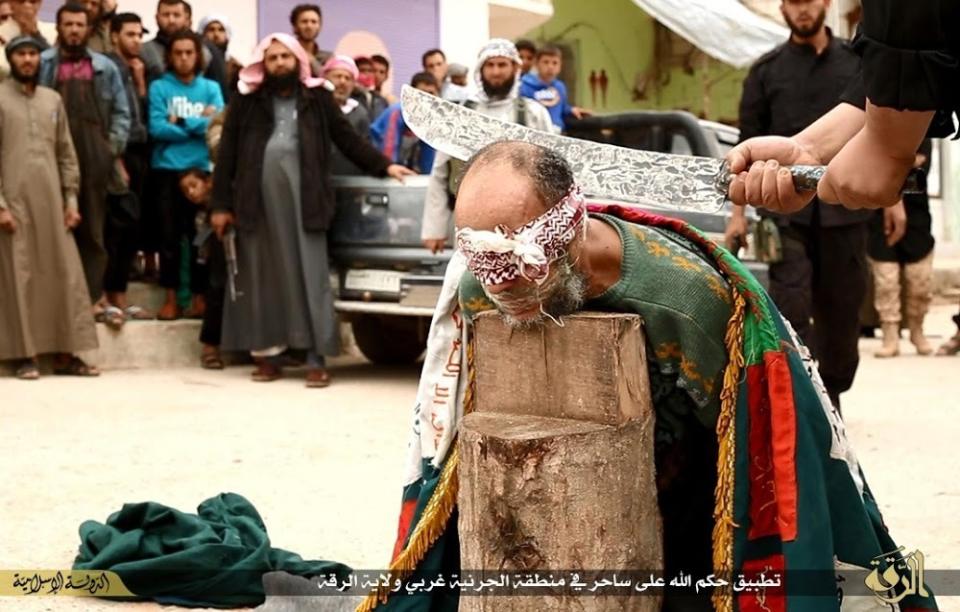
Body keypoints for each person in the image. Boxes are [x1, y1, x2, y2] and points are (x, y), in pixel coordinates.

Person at [358, 141, 938, 612]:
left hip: (696, 493)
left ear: (572, 228)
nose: (502, 284)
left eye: (520, 261)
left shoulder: (689, 304)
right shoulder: (480, 293)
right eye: (484, 262)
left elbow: (748, 456)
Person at [210, 33, 414, 387]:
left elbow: (346, 138)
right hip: (256, 205)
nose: (278, 64)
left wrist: (384, 166)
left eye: (284, 58)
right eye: (271, 58)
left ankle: (315, 357)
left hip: (306, 203)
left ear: (298, 61)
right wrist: (220, 205)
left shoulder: (317, 97)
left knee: (310, 277)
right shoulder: (248, 100)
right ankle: (268, 355)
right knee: (263, 278)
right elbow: (227, 152)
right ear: (264, 63)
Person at [722, 0, 865, 409]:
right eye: (794, 2)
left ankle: (833, 392)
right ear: (784, 8)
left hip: (848, 209)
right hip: (784, 214)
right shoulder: (766, 72)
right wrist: (738, 216)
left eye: (810, 0)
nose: (803, 10)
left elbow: (884, 127)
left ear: (826, 3)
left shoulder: (858, 65)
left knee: (842, 312)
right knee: (791, 306)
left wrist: (895, 203)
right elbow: (743, 147)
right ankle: (801, 403)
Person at [726, 2, 960, 212]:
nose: (803, 9)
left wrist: (886, 143)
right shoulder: (766, 69)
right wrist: (810, 148)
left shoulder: (850, 56)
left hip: (850, 218)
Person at [0, 35, 99, 379]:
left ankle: (66, 353)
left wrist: (71, 200)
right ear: (10, 59)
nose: (27, 60)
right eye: (20, 54)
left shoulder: (52, 100)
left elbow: (66, 154)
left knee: (64, 274)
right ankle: (25, 355)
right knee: (20, 275)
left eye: (32, 54)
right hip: (13, 205)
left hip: (53, 204)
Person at [39, 3, 130, 325]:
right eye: (68, 24)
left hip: (94, 155)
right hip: (51, 155)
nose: (74, 30)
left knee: (93, 230)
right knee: (53, 228)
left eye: (80, 24)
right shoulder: (44, 64)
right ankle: (55, 301)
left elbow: (122, 113)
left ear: (88, 29)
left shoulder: (106, 67)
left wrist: (109, 149)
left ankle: (92, 298)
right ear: (59, 28)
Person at [420, 39, 554, 254]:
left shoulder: (534, 114)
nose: (496, 72)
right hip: (471, 224)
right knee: (468, 284)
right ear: (480, 70)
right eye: (490, 65)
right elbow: (441, 172)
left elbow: (552, 173)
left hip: (524, 228)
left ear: (515, 68)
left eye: (502, 65)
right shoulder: (461, 115)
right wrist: (434, 229)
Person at [148, 29, 223, 320]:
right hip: (167, 170)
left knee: (200, 239)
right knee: (169, 237)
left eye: (189, 52)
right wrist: (198, 122)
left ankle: (198, 298)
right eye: (177, 53)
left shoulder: (211, 88)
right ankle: (171, 299)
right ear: (169, 56)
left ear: (198, 56)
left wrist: (180, 120)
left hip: (202, 170)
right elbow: (156, 129)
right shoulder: (159, 88)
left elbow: (215, 125)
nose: (183, 58)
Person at [103, 11, 154, 322]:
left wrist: (140, 82)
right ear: (114, 36)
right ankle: (110, 296)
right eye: (130, 34)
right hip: (119, 155)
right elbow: (111, 115)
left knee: (132, 227)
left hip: (141, 153)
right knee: (114, 229)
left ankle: (121, 295)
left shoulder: (138, 68)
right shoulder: (106, 67)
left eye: (139, 35)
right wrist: (115, 157)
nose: (136, 40)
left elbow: (142, 116)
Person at [869, 140, 936, 358]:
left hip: (917, 214)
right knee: (886, 281)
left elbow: (920, 164)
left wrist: (887, 167)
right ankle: (890, 334)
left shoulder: (923, 127)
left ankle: (917, 331)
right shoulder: (875, 128)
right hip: (877, 212)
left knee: (920, 280)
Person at [178, 168, 224, 369]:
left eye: (194, 185)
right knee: (215, 288)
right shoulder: (196, 215)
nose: (190, 193)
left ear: (208, 182)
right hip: (213, 263)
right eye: (185, 190)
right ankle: (209, 348)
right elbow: (200, 252)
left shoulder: (222, 203)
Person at [140, 0, 228, 98]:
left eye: (176, 15)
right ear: (157, 18)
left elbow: (220, 90)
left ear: (186, 18)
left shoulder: (205, 50)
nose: (171, 20)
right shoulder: (144, 50)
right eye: (166, 15)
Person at [370, 71, 438, 174]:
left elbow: (427, 159)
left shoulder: (429, 120)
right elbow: (389, 151)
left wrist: (427, 178)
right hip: (376, 165)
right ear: (411, 93)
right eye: (422, 93)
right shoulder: (396, 112)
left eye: (431, 94)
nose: (427, 98)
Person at [519, 44, 590, 131]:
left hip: (557, 132)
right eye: (546, 62)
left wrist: (571, 109)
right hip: (535, 131)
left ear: (560, 66)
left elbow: (563, 108)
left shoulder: (560, 87)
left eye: (555, 63)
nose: (550, 67)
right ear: (537, 64)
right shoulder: (524, 85)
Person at [323, 54, 372, 175]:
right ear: (325, 79)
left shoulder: (360, 113)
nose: (342, 82)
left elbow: (365, 151)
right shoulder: (314, 108)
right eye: (337, 76)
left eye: (348, 78)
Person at [0, 0, 57, 78]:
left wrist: (35, 33)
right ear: (11, 4)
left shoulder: (54, 31)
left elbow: (56, 66)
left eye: (33, 2)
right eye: (21, 2)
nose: (27, 6)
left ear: (40, 4)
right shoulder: (1, 33)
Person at [197, 14, 242, 88]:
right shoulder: (195, 63)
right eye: (211, 30)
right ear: (202, 33)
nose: (216, 34)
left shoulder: (235, 67)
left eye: (221, 30)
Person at [289, 3, 329, 75]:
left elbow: (330, 81)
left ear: (319, 27)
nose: (309, 26)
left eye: (314, 22)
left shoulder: (328, 58)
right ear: (294, 27)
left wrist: (312, 61)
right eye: (304, 22)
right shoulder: (285, 55)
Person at [349, 54, 388, 125]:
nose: (367, 74)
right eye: (362, 70)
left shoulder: (380, 100)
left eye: (370, 71)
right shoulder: (347, 98)